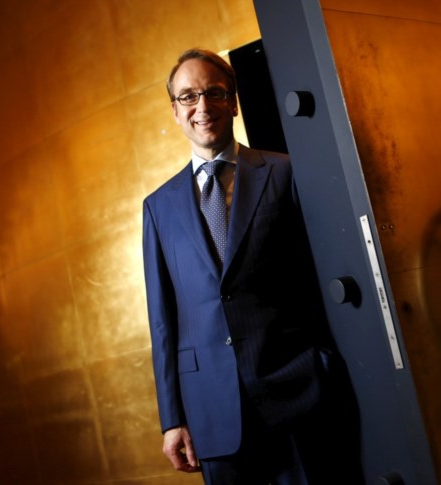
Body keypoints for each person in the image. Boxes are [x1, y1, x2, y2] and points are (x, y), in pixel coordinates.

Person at [142, 48, 363, 484]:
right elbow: (162, 321)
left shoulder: (284, 172)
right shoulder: (157, 208)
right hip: (211, 412)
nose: (202, 106)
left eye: (214, 93)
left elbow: (320, 275)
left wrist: (323, 363)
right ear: (175, 111)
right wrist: (172, 418)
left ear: (234, 102)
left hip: (297, 392)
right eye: (188, 97)